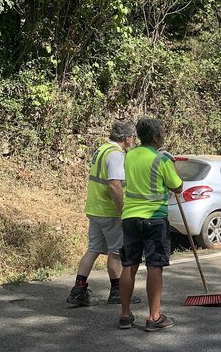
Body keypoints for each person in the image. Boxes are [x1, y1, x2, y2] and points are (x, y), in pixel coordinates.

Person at [118, 118, 183, 332]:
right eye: (162, 133)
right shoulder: (160, 160)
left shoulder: (130, 156)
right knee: (154, 266)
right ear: (156, 137)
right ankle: (154, 317)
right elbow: (178, 187)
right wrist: (172, 166)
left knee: (129, 264)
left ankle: (125, 315)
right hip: (154, 218)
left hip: (130, 217)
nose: (163, 136)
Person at [67, 120, 137, 307]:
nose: (133, 141)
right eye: (132, 138)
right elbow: (115, 185)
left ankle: (79, 290)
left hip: (95, 208)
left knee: (93, 249)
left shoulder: (102, 149)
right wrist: (122, 211)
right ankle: (117, 292)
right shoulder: (116, 155)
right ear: (127, 138)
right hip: (110, 211)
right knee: (116, 253)